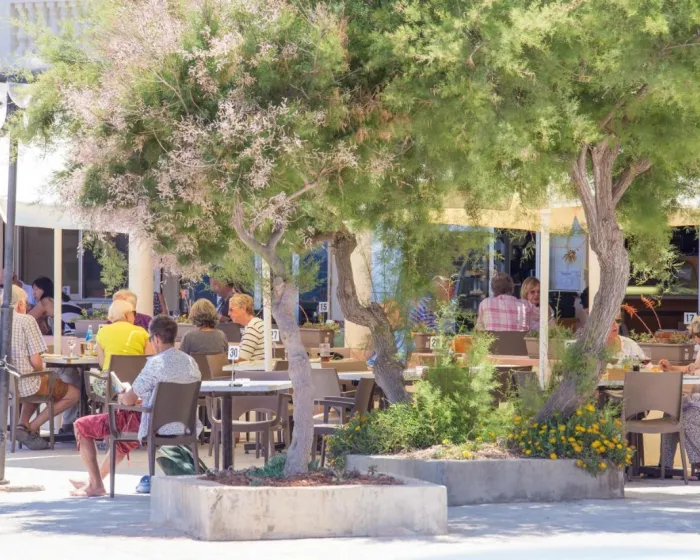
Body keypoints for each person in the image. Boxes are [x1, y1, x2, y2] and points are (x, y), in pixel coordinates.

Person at [70, 315, 202, 498]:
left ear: (156, 338)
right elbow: (171, 393)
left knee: (82, 425)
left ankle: (95, 485)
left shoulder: (155, 364)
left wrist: (123, 394)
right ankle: (96, 480)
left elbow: (128, 400)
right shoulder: (190, 362)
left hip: (153, 425)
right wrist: (147, 398)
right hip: (184, 425)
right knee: (125, 432)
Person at [5, 285, 80, 451]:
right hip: (24, 381)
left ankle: (21, 426)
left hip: (5, 383)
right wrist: (41, 369)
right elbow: (36, 362)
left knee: (38, 384)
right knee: (74, 393)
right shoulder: (26, 321)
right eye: (26, 303)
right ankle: (31, 428)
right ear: (19, 304)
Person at [92, 300, 154, 397]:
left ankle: (110, 406)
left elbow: (102, 363)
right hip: (135, 385)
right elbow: (150, 360)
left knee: (98, 381)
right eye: (134, 313)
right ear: (127, 315)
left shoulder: (102, 331)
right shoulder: (141, 332)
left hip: (110, 385)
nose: (135, 316)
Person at [229, 293, 264, 362]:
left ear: (243, 308)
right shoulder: (256, 323)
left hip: (254, 368)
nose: (228, 313)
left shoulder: (253, 326)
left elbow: (242, 358)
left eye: (231, 310)